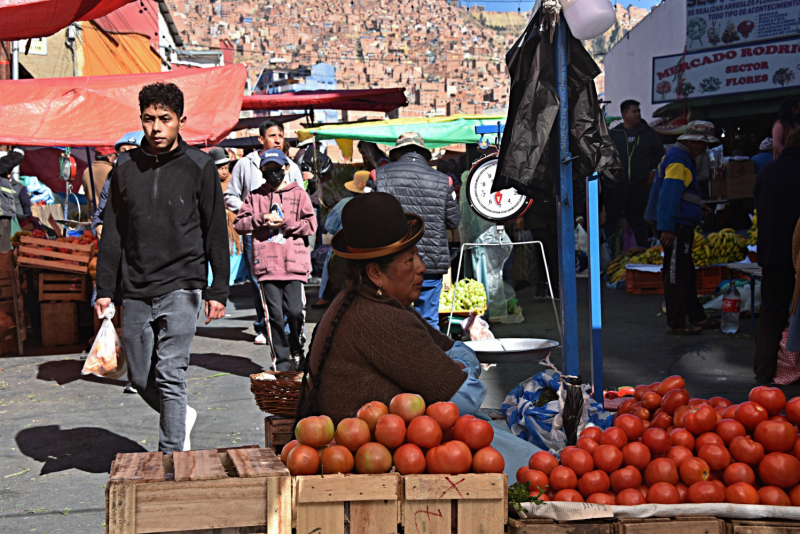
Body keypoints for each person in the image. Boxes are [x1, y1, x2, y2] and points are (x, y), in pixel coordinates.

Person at [94, 82, 229, 453]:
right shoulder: (124, 167)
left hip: (183, 284)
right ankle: (180, 416)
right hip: (136, 287)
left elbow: (215, 229)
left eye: (164, 120)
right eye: (149, 119)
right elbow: (114, 233)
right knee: (139, 377)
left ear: (180, 121)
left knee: (171, 373)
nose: (156, 128)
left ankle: (172, 459)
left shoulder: (199, 166)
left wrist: (219, 289)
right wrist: (105, 289)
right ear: (141, 119)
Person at [295, 192, 486, 424]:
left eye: (417, 256)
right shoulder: (378, 317)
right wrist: (461, 365)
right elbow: (467, 397)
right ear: (376, 273)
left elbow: (447, 346)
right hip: (367, 452)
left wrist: (457, 364)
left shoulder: (368, 300)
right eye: (410, 260)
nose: (422, 268)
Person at [233, 149, 317, 372]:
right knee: (274, 317)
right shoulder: (254, 196)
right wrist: (261, 219)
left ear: (286, 169)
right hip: (267, 267)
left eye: (276, 169)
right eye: (267, 170)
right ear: (261, 171)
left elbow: (311, 225)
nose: (272, 174)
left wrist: (286, 223)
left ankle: (296, 348)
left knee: (296, 312)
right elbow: (239, 225)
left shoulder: (299, 194)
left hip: (294, 265)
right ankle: (280, 362)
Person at [225, 120, 303, 346]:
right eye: (272, 135)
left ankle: (288, 326)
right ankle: (264, 324)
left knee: (287, 277)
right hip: (255, 235)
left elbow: (301, 197)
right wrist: (252, 212)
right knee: (259, 280)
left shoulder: (291, 166)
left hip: (286, 234)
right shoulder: (245, 164)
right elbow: (231, 196)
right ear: (261, 140)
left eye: (281, 135)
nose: (278, 140)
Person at [374, 132, 461, 328]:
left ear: (397, 154)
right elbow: (454, 221)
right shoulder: (442, 181)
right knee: (428, 321)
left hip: (392, 261)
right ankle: (427, 358)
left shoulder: (379, 176)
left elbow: (370, 219)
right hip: (430, 262)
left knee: (393, 319)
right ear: (424, 155)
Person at [648, 120, 718, 335]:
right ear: (692, 142)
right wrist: (667, 227)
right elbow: (669, 195)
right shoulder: (680, 159)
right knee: (676, 274)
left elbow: (680, 192)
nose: (705, 149)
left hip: (679, 222)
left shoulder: (680, 157)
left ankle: (696, 315)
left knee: (685, 272)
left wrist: (697, 205)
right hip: (675, 225)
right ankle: (676, 322)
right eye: (703, 145)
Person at [753, 130, 800, 383]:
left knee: (771, 311)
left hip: (771, 252)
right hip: (797, 253)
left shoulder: (768, 171)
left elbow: (758, 205)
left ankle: (764, 371)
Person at [607, 99, 666, 248]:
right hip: (618, 185)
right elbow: (605, 155)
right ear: (624, 114)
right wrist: (609, 175)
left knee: (639, 220)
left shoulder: (648, 133)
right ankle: (609, 253)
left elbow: (659, 153)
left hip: (641, 183)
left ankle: (642, 252)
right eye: (634, 111)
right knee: (612, 220)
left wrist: (653, 169)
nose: (638, 114)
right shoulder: (614, 134)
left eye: (639, 111)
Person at [313, 171, 367, 308]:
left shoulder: (344, 203)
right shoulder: (377, 203)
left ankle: (326, 297)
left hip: (343, 249)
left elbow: (330, 227)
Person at [92, 132, 144, 239]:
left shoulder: (155, 181)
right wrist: (97, 226)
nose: (128, 155)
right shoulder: (111, 181)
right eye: (123, 151)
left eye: (134, 151)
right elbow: (100, 215)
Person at [0, 147, 24, 252]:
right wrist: (18, 145)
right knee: (3, 251)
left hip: (4, 213)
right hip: (2, 215)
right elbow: (18, 156)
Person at [82, 146, 116, 211]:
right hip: (109, 218)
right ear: (109, 156)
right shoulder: (113, 171)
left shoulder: (87, 171)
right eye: (115, 155)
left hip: (92, 218)